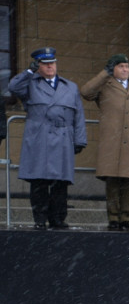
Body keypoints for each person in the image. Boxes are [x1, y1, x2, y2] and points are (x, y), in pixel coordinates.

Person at [8, 47, 87, 230]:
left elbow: (79, 116)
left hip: (63, 138)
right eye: (45, 64)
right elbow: (13, 87)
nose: (50, 66)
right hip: (40, 137)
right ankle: (40, 219)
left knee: (61, 183)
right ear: (38, 66)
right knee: (39, 182)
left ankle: (58, 218)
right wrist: (29, 71)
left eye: (52, 62)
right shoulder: (30, 83)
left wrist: (80, 139)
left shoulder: (70, 87)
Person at [80, 53, 129, 231]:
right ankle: (113, 217)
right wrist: (105, 73)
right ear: (113, 69)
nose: (125, 70)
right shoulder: (104, 85)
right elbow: (86, 92)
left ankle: (126, 217)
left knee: (127, 181)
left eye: (127, 66)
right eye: (120, 67)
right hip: (111, 142)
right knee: (112, 181)